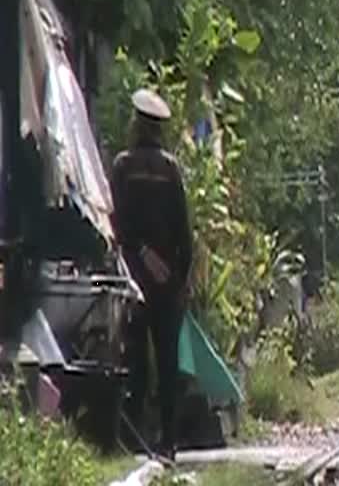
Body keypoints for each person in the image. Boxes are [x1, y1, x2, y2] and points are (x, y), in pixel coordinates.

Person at [111, 89, 193, 461]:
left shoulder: (123, 167)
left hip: (133, 276)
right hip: (167, 280)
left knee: (135, 359)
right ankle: (169, 441)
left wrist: (136, 255)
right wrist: (181, 277)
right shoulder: (171, 169)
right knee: (168, 361)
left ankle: (134, 436)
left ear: (136, 124)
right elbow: (183, 231)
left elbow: (116, 224)